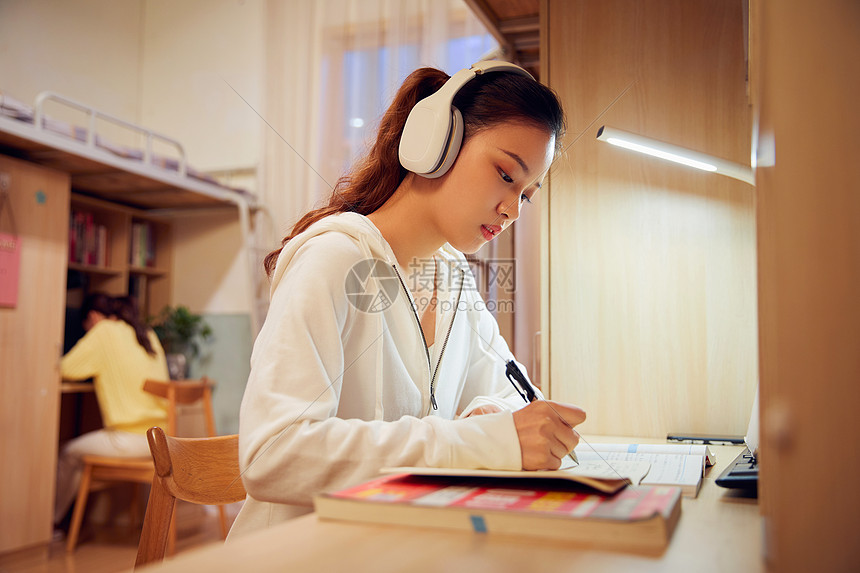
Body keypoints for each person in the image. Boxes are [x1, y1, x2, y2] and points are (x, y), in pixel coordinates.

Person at [229, 61, 586, 537]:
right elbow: (271, 454)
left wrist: (493, 418)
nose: (511, 210)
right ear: (437, 143)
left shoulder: (455, 280)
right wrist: (478, 441)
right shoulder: (332, 258)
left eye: (526, 195)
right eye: (505, 175)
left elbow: (511, 394)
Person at [54, 293, 170, 525]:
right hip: (162, 438)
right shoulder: (146, 334)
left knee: (69, 453)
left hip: (129, 440)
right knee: (80, 455)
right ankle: (67, 522)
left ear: (93, 317)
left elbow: (65, 368)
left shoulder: (103, 331)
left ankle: (48, 524)